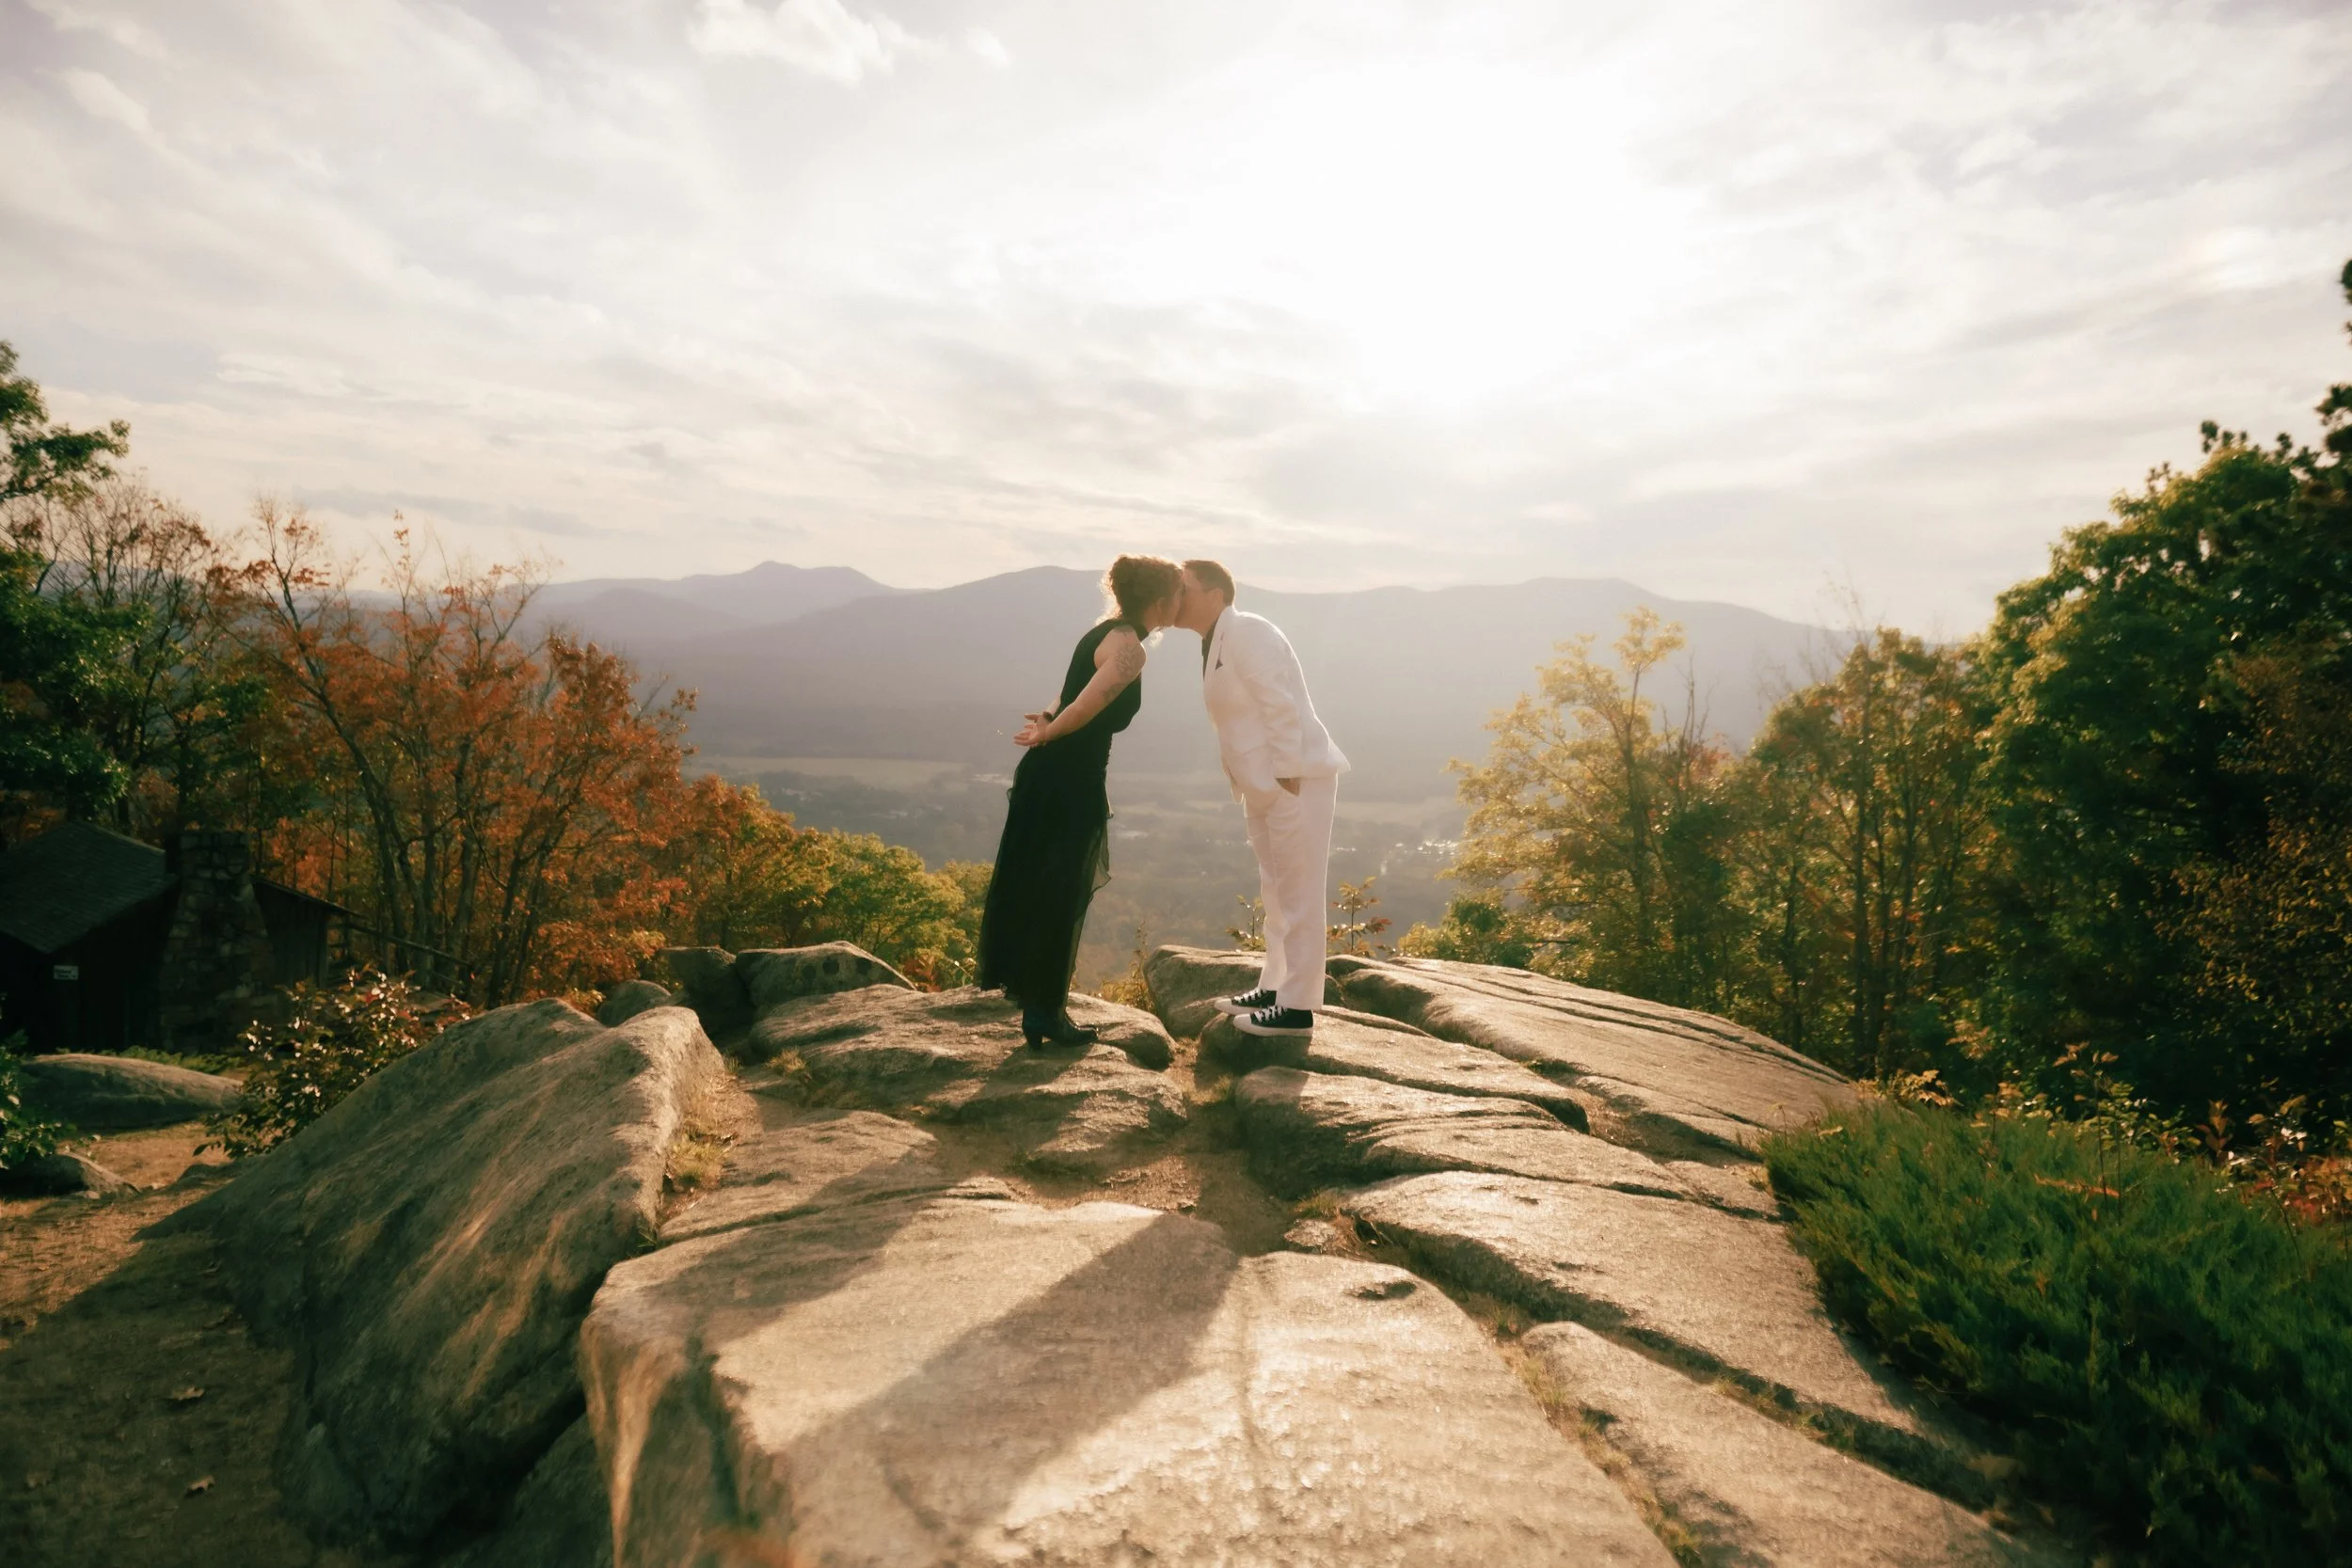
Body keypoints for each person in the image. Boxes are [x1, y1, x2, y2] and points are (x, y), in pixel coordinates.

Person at [979, 555, 1185, 1048]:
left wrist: (1048, 719)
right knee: (1063, 891)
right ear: (1159, 601)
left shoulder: (1105, 633)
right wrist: (1052, 727)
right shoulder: (1131, 649)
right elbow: (1085, 707)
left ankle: (1037, 1003)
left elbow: (1070, 693)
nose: (1182, 602)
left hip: (1051, 774)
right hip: (1071, 781)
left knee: (1039, 883)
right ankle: (1045, 1013)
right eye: (1179, 594)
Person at [1170, 559, 1348, 1037]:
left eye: (1184, 588)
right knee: (1276, 891)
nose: (1176, 596)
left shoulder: (1247, 630)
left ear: (1215, 593)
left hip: (1296, 779)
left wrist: (1287, 773)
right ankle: (1275, 985)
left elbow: (1279, 702)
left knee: (1300, 894)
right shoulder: (1215, 640)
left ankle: (1296, 1010)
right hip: (1264, 785)